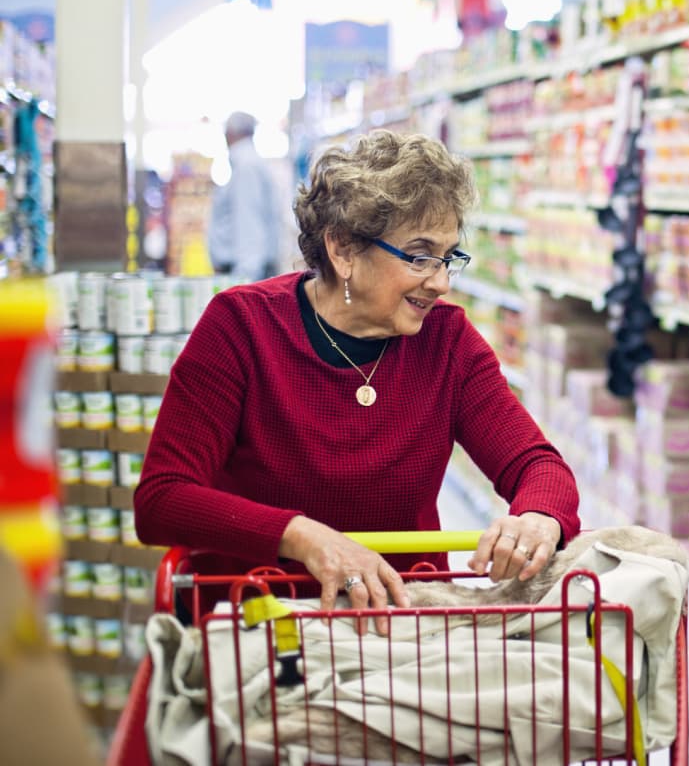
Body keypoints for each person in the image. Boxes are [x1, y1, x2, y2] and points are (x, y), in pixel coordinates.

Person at [135, 131, 580, 632]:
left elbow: (537, 464)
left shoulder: (447, 342)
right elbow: (163, 498)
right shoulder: (241, 327)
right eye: (419, 256)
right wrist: (305, 538)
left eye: (449, 257)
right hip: (260, 623)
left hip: (399, 628)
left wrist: (538, 516)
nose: (441, 282)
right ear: (344, 250)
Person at [209, 111, 283, 279]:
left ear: (229, 133)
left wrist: (243, 281)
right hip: (248, 270)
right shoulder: (248, 163)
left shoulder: (246, 166)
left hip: (244, 272)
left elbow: (248, 222)